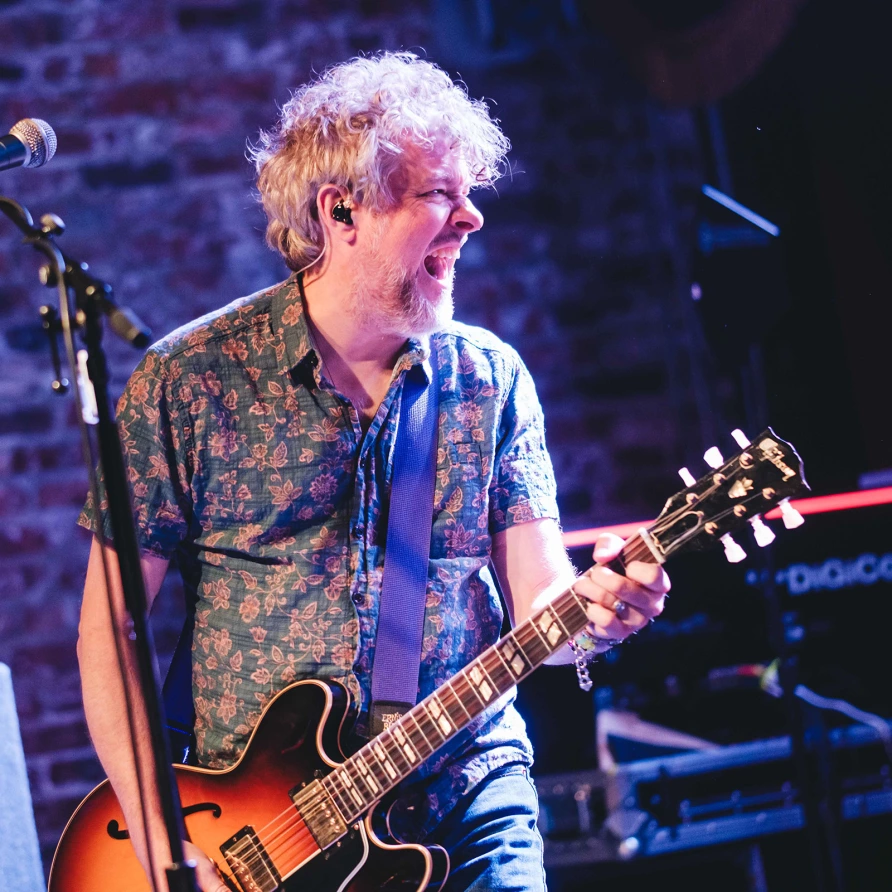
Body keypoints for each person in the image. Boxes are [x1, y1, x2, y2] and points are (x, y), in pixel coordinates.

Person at [77, 51, 669, 892]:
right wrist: (161, 842)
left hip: (465, 796)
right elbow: (111, 631)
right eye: (438, 195)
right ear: (341, 209)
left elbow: (546, 608)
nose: (472, 220)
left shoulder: (487, 382)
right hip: (260, 834)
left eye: (470, 193)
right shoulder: (190, 382)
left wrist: (601, 613)